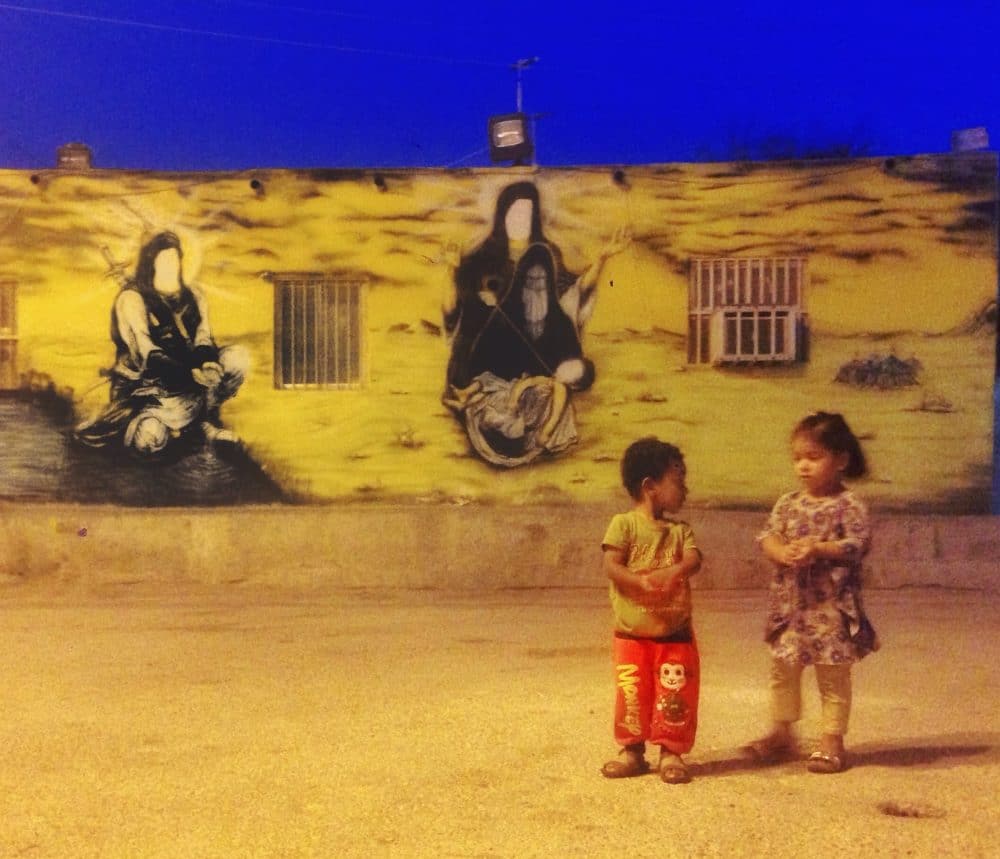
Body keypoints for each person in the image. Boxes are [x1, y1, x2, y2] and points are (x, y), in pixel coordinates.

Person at [743, 411, 879, 774]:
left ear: (841, 460)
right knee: (783, 670)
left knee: (833, 676)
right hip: (791, 610)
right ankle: (782, 733)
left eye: (813, 457)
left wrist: (818, 548)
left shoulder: (848, 505)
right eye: (798, 458)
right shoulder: (788, 503)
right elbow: (768, 536)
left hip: (831, 611)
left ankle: (832, 740)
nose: (803, 466)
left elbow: (858, 544)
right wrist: (781, 552)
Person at [75, 231, 248, 456]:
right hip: (151, 390)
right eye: (164, 261)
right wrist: (190, 373)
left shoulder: (193, 296)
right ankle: (189, 429)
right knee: (149, 441)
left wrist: (207, 363)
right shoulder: (132, 300)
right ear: (151, 264)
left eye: (174, 261)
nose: (170, 267)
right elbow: (148, 355)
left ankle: (203, 422)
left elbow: (203, 337)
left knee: (237, 359)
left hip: (192, 385)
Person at [600, 437, 702, 784]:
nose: (685, 489)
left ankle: (670, 751)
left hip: (674, 634)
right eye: (678, 480)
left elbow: (694, 559)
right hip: (631, 634)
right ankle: (632, 750)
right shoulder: (624, 525)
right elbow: (611, 564)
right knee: (632, 694)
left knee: (675, 694)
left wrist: (675, 571)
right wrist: (638, 581)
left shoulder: (680, 531)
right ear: (650, 486)